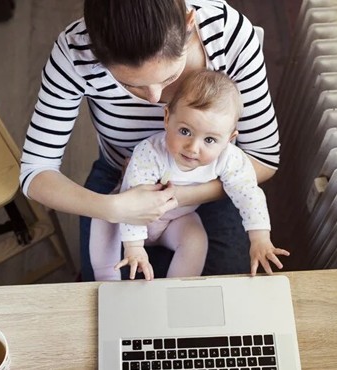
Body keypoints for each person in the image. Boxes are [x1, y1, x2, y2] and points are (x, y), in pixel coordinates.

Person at [20, 0, 280, 281]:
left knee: (219, 300)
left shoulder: (228, 35)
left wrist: (177, 195)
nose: (156, 100)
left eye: (170, 76)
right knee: (105, 296)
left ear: (189, 25)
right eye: (132, 85)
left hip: (211, 181)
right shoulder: (75, 53)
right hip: (118, 181)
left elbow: (263, 159)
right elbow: (35, 171)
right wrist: (114, 207)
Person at [90, 70, 288, 281]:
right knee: (102, 219)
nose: (193, 148)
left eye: (210, 140)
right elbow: (133, 199)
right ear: (167, 118)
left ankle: (178, 286)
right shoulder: (150, 152)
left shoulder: (230, 159)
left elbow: (249, 194)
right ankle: (106, 280)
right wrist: (134, 247)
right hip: (129, 214)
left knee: (195, 239)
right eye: (185, 131)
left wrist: (260, 238)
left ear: (230, 139)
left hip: (176, 220)